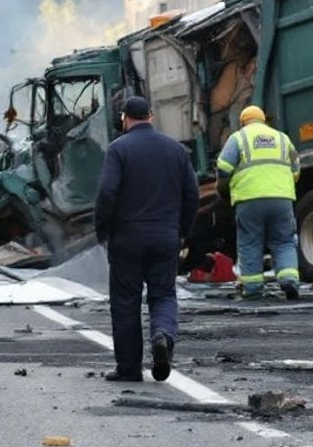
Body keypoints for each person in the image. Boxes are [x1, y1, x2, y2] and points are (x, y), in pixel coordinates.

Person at [94, 96, 198, 383]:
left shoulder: (118, 149)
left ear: (124, 119)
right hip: (165, 237)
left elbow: (107, 193)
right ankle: (163, 335)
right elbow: (192, 196)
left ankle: (128, 368)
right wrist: (182, 232)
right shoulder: (176, 150)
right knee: (163, 295)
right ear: (151, 116)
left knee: (126, 301)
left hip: (127, 239)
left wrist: (102, 229)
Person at [215, 105, 302, 301]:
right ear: (263, 120)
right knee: (284, 241)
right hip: (281, 199)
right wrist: (281, 185)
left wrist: (223, 189)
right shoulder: (282, 138)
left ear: (243, 122)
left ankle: (253, 288)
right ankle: (289, 281)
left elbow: (223, 167)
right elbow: (296, 168)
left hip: (249, 200)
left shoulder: (238, 138)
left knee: (250, 242)